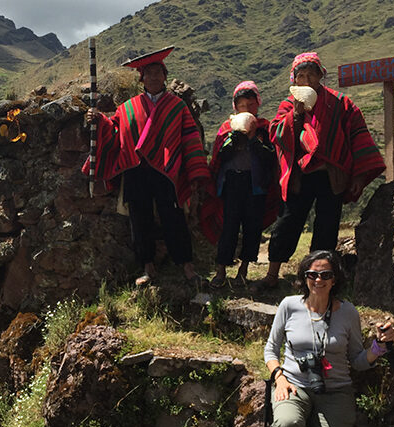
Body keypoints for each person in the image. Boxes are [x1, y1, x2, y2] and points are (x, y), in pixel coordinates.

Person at [263, 250, 394, 427]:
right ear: (304, 277)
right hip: (294, 384)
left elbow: (358, 361)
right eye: (312, 274)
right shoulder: (289, 306)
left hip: (336, 392)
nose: (318, 280)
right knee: (287, 424)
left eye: (325, 274)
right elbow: (270, 349)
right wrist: (279, 377)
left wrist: (380, 346)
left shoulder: (348, 313)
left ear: (335, 279)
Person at [84, 46, 210, 287]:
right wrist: (98, 120)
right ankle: (147, 267)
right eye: (149, 73)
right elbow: (115, 133)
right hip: (136, 169)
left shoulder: (177, 107)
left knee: (174, 216)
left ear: (164, 76)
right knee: (139, 219)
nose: (153, 77)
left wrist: (194, 171)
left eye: (157, 72)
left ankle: (187, 266)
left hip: (166, 171)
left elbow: (190, 138)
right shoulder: (128, 107)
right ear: (142, 78)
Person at [262, 52, 385, 288]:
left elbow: (357, 137)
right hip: (300, 175)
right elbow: (275, 133)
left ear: (321, 77)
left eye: (312, 75)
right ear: (294, 79)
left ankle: (316, 276)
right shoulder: (288, 104)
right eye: (301, 76)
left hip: (332, 175)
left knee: (327, 226)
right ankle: (271, 274)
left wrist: (359, 174)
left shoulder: (340, 103)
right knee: (288, 222)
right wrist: (296, 115)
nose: (307, 81)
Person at [205, 81, 278, 288]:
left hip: (256, 186)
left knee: (252, 228)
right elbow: (219, 156)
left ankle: (244, 269)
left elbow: (270, 158)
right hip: (232, 184)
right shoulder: (227, 129)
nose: (246, 109)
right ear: (235, 107)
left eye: (251, 104)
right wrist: (235, 138)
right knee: (228, 227)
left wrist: (254, 138)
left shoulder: (264, 129)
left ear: (258, 105)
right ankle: (220, 270)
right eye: (242, 105)